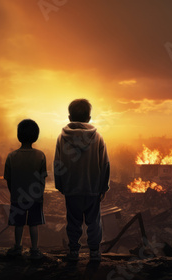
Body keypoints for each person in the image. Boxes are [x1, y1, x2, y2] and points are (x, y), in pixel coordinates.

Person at [54, 99, 110, 262]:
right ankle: (94, 252)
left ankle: (73, 251)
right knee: (94, 222)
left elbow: (57, 164)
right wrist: (103, 188)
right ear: (89, 118)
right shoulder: (98, 137)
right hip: (92, 189)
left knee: (73, 221)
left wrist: (61, 186)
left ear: (70, 117)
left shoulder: (62, 137)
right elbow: (105, 164)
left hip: (71, 189)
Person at [4, 119, 47, 260]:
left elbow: (8, 179)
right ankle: (34, 250)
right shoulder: (40, 156)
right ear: (36, 136)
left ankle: (17, 247)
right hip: (35, 197)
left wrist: (14, 192)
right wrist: (39, 193)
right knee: (33, 224)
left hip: (17, 196)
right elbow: (42, 179)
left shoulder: (11, 156)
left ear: (19, 135)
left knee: (18, 224)